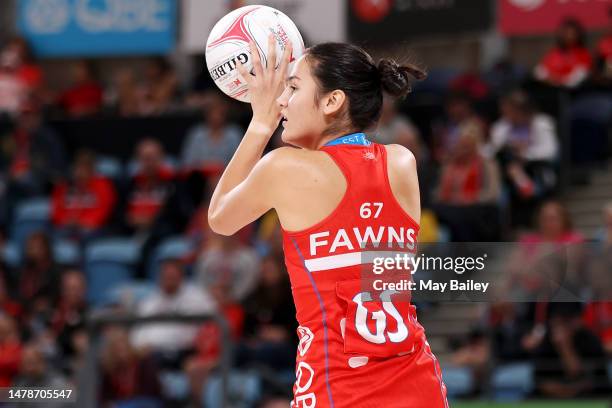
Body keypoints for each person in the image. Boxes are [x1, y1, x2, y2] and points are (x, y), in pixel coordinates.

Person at [207, 36, 448, 407]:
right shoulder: (402, 162)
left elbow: (220, 219)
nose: (282, 100)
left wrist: (260, 124)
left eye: (293, 87)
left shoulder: (285, 166)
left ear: (333, 101)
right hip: (418, 382)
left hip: (339, 384)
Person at [534, 18, 592, 88]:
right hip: (549, 89)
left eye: (571, 33)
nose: (567, 36)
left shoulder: (583, 54)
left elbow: (577, 78)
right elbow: (540, 71)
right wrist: (549, 79)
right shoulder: (554, 52)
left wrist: (560, 80)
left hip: (572, 92)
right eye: (565, 33)